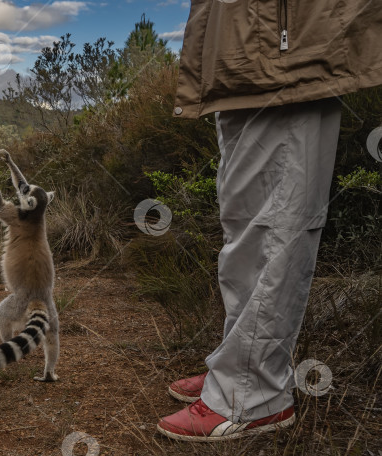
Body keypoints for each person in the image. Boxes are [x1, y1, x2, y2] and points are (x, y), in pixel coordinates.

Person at [157, 1, 382, 441]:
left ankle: (253, 396)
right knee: (245, 234)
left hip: (292, 49)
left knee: (278, 227)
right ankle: (237, 371)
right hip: (244, 56)